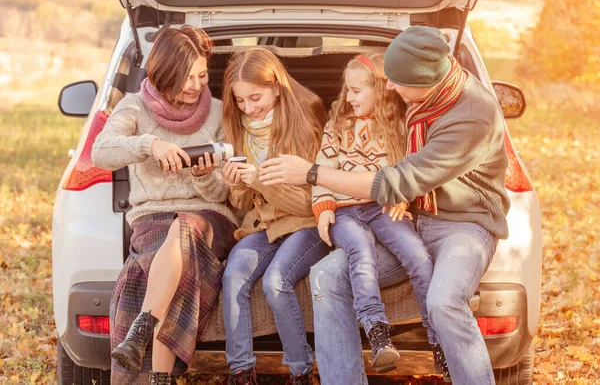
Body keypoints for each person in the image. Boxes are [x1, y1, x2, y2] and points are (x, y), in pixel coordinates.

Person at [258, 26, 510, 385]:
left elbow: (394, 182)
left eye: (396, 81)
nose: (388, 88)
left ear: (424, 81)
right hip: (407, 218)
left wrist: (313, 174)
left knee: (444, 301)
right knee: (326, 276)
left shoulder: (472, 115)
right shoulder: (421, 99)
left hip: (462, 225)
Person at [92, 26, 238, 385]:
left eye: (202, 75)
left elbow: (224, 195)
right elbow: (101, 152)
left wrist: (204, 176)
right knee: (172, 259)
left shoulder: (219, 114)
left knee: (185, 227)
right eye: (185, 77)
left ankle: (141, 328)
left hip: (210, 218)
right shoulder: (135, 108)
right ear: (163, 74)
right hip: (153, 220)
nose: (195, 85)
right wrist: (149, 145)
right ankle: (161, 378)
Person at [311, 53, 444, 374]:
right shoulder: (337, 127)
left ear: (379, 91)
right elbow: (321, 169)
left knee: (418, 255)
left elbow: (409, 169)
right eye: (347, 91)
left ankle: (438, 339)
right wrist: (323, 208)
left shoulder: (398, 127)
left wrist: (403, 196)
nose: (349, 98)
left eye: (357, 91)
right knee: (360, 250)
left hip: (380, 206)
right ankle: (377, 333)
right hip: (344, 211)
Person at [219, 48, 330, 385]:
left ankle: (300, 372)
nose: (249, 108)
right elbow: (242, 206)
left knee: (275, 281)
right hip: (265, 224)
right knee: (234, 274)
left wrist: (262, 183)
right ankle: (240, 371)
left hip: (307, 222)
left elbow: (313, 200)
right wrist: (234, 184)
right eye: (240, 101)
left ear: (277, 88)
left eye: (256, 98)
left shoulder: (306, 118)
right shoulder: (239, 126)